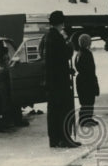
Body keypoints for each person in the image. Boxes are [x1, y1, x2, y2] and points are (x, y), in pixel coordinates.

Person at [42, 10, 80, 148]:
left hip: (51, 80)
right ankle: (64, 138)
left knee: (53, 111)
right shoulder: (57, 37)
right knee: (63, 110)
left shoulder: (47, 37)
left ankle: (55, 139)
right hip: (59, 82)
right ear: (60, 22)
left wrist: (66, 69)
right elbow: (65, 55)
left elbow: (53, 60)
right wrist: (69, 45)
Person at [74, 32, 100, 129]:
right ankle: (86, 120)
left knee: (84, 101)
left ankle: (85, 119)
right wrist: (95, 84)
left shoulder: (78, 53)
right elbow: (90, 70)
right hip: (87, 80)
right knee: (88, 101)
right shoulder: (87, 54)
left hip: (81, 80)